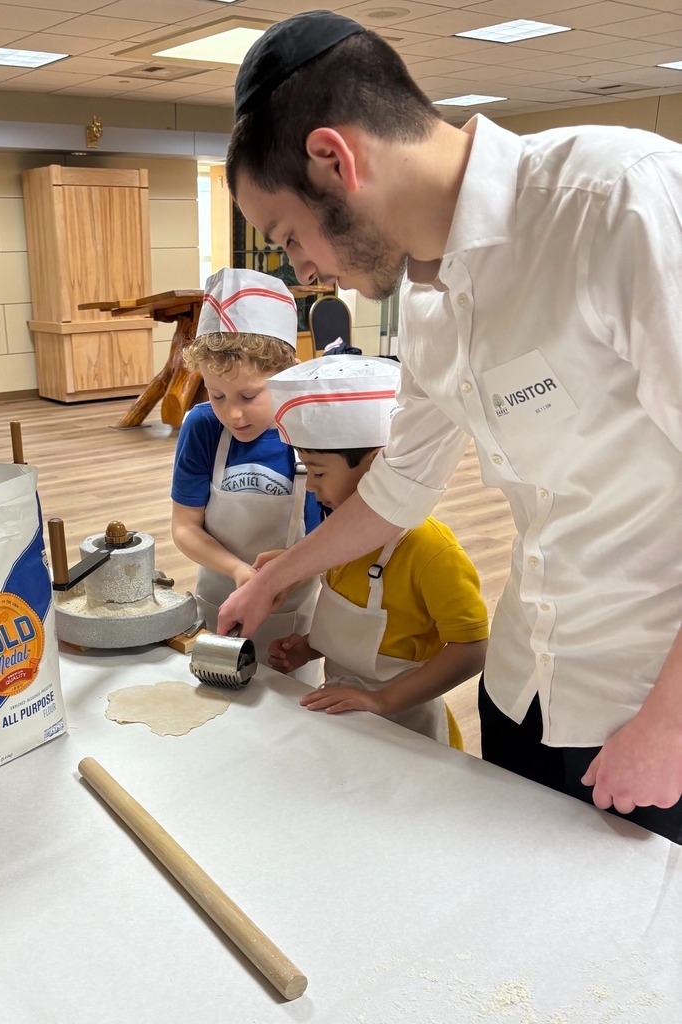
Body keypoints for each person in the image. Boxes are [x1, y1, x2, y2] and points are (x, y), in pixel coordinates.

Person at [218, 10, 682, 842]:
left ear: (334, 158)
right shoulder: (428, 309)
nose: (303, 271)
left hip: (646, 707)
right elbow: (396, 492)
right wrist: (272, 578)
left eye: (289, 236)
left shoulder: (616, 202)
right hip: (522, 688)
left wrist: (670, 726)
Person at [265, 355, 488, 746]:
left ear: (373, 468)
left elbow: (472, 650)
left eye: (318, 473)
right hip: (345, 715)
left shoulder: (430, 550)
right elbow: (358, 629)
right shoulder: (335, 538)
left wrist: (381, 700)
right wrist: (312, 648)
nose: (312, 488)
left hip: (409, 727)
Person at [170, 267, 321, 681]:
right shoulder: (203, 428)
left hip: (290, 625)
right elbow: (185, 527)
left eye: (249, 396)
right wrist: (239, 571)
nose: (232, 413)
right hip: (218, 603)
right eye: (216, 395)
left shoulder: (312, 433)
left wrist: (287, 571)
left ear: (288, 374)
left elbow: (336, 534)